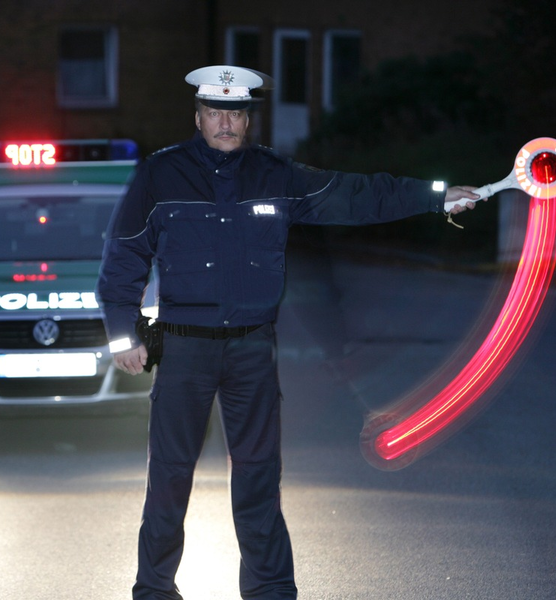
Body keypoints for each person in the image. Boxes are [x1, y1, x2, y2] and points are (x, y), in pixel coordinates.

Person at [97, 65, 479, 599]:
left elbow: (356, 195)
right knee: (169, 475)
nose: (226, 122)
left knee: (257, 477)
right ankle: (154, 590)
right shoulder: (160, 176)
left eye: (237, 113)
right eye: (215, 111)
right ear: (198, 115)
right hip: (183, 347)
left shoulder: (277, 175)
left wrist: (435, 196)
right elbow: (125, 253)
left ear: (249, 120)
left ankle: (272, 590)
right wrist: (122, 330)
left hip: (253, 347)